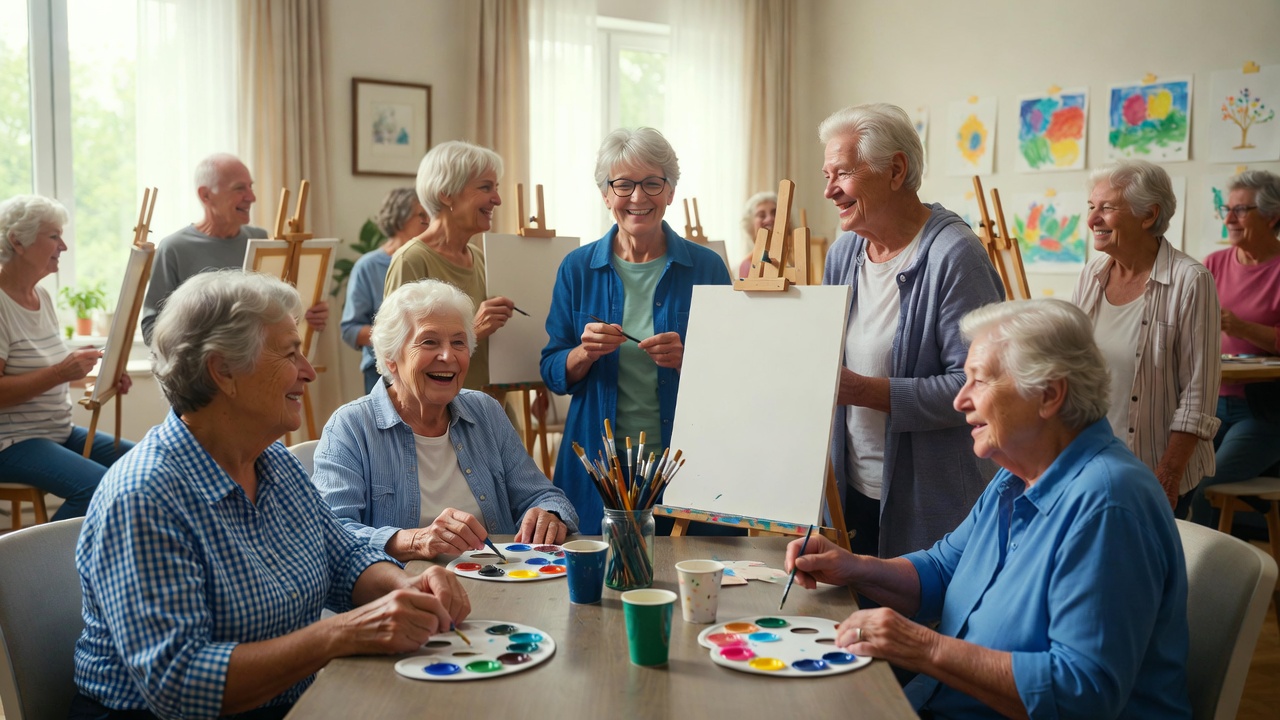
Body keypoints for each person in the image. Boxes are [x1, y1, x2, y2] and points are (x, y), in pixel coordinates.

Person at [71, 270, 470, 720]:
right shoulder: (146, 496)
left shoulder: (273, 463)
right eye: (290, 353)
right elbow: (178, 685)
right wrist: (341, 634)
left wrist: (407, 586)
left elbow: (343, 558)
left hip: (287, 701)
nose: (307, 372)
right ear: (224, 371)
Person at [786, 299, 1190, 719]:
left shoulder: (1108, 504)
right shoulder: (1017, 474)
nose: (960, 400)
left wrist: (924, 647)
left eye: (979, 381)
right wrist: (854, 566)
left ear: (1049, 395)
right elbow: (944, 570)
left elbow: (1081, 695)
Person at [819, 103, 1004, 558]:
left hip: (930, 505)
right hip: (850, 492)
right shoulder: (844, 254)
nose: (829, 191)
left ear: (895, 170)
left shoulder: (955, 256)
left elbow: (978, 386)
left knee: (907, 625)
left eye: (841, 174)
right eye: (827, 175)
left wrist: (863, 390)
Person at [541, 127, 733, 535]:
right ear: (606, 194)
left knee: (687, 577)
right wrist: (583, 353)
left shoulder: (708, 268)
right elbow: (553, 369)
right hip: (600, 462)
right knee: (601, 584)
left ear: (670, 191)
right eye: (623, 184)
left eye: (652, 183)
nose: (638, 197)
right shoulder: (576, 268)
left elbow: (735, 373)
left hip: (685, 461)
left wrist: (690, 360)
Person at [314, 279, 578, 561]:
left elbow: (542, 496)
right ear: (391, 358)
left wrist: (548, 514)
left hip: (500, 583)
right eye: (429, 342)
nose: (448, 355)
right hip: (407, 592)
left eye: (458, 342)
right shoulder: (351, 427)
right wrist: (413, 540)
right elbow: (329, 532)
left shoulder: (485, 411)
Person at [1071, 160, 1220, 513]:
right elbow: (1072, 367)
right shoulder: (1091, 275)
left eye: (1106, 208)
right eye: (1091, 207)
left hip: (1154, 471)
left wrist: (1167, 474)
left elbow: (1198, 394)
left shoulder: (1191, 280)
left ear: (1148, 215)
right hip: (1091, 467)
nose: (1092, 220)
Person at [0, 195, 134, 520]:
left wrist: (104, 378)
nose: (64, 247)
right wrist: (61, 372)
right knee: (95, 487)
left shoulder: (42, 297)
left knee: (148, 463)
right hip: (12, 442)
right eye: (54, 236)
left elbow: (52, 373)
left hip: (58, 432)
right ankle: (43, 566)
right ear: (18, 241)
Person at [140, 153, 328, 345]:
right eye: (239, 188)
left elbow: (276, 312)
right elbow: (151, 328)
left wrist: (306, 315)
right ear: (206, 195)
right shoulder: (174, 248)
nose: (252, 197)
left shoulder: (261, 240)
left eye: (251, 187)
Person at [383, 141, 515, 390]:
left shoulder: (481, 258)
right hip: (441, 416)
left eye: (495, 188)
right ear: (446, 194)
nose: (497, 199)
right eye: (485, 187)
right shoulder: (411, 260)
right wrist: (473, 331)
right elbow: (399, 352)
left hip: (491, 408)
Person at [1190, 169, 1280, 526]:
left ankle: (1208, 577)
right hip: (1208, 403)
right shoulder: (1213, 264)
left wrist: (1240, 326)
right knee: (1171, 479)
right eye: (1227, 209)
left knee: (1201, 487)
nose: (1229, 218)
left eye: (1241, 210)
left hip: (1263, 411)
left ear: (1273, 216)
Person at [340, 187, 429, 393]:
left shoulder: (429, 260)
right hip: (381, 373)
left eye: (430, 215)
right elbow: (350, 330)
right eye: (421, 216)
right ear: (400, 219)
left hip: (427, 366)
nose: (429, 223)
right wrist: (397, 335)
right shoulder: (368, 266)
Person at [736, 191, 791, 278]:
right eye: (761, 215)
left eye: (774, 213)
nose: (769, 219)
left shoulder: (796, 257)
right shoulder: (747, 264)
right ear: (751, 224)